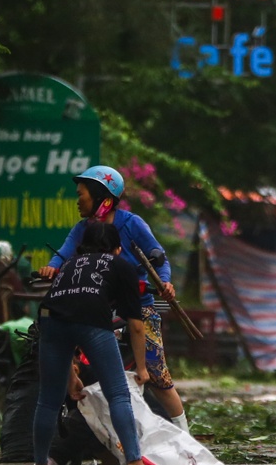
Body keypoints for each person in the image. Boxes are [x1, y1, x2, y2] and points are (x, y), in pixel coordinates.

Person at [37, 166, 190, 432]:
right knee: (85, 368)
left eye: (81, 195)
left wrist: (165, 282)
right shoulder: (82, 229)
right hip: (99, 310)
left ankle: (185, 438)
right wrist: (52, 267)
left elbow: (158, 257)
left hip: (138, 308)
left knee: (156, 374)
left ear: (102, 198)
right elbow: (63, 255)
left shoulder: (132, 224)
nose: (77, 201)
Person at [32, 220, 167, 465]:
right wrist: (141, 368)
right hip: (91, 321)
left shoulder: (68, 265)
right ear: (117, 249)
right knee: (117, 394)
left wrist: (71, 377)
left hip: (49, 319)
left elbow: (65, 314)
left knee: (48, 400)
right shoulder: (121, 266)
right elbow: (136, 326)